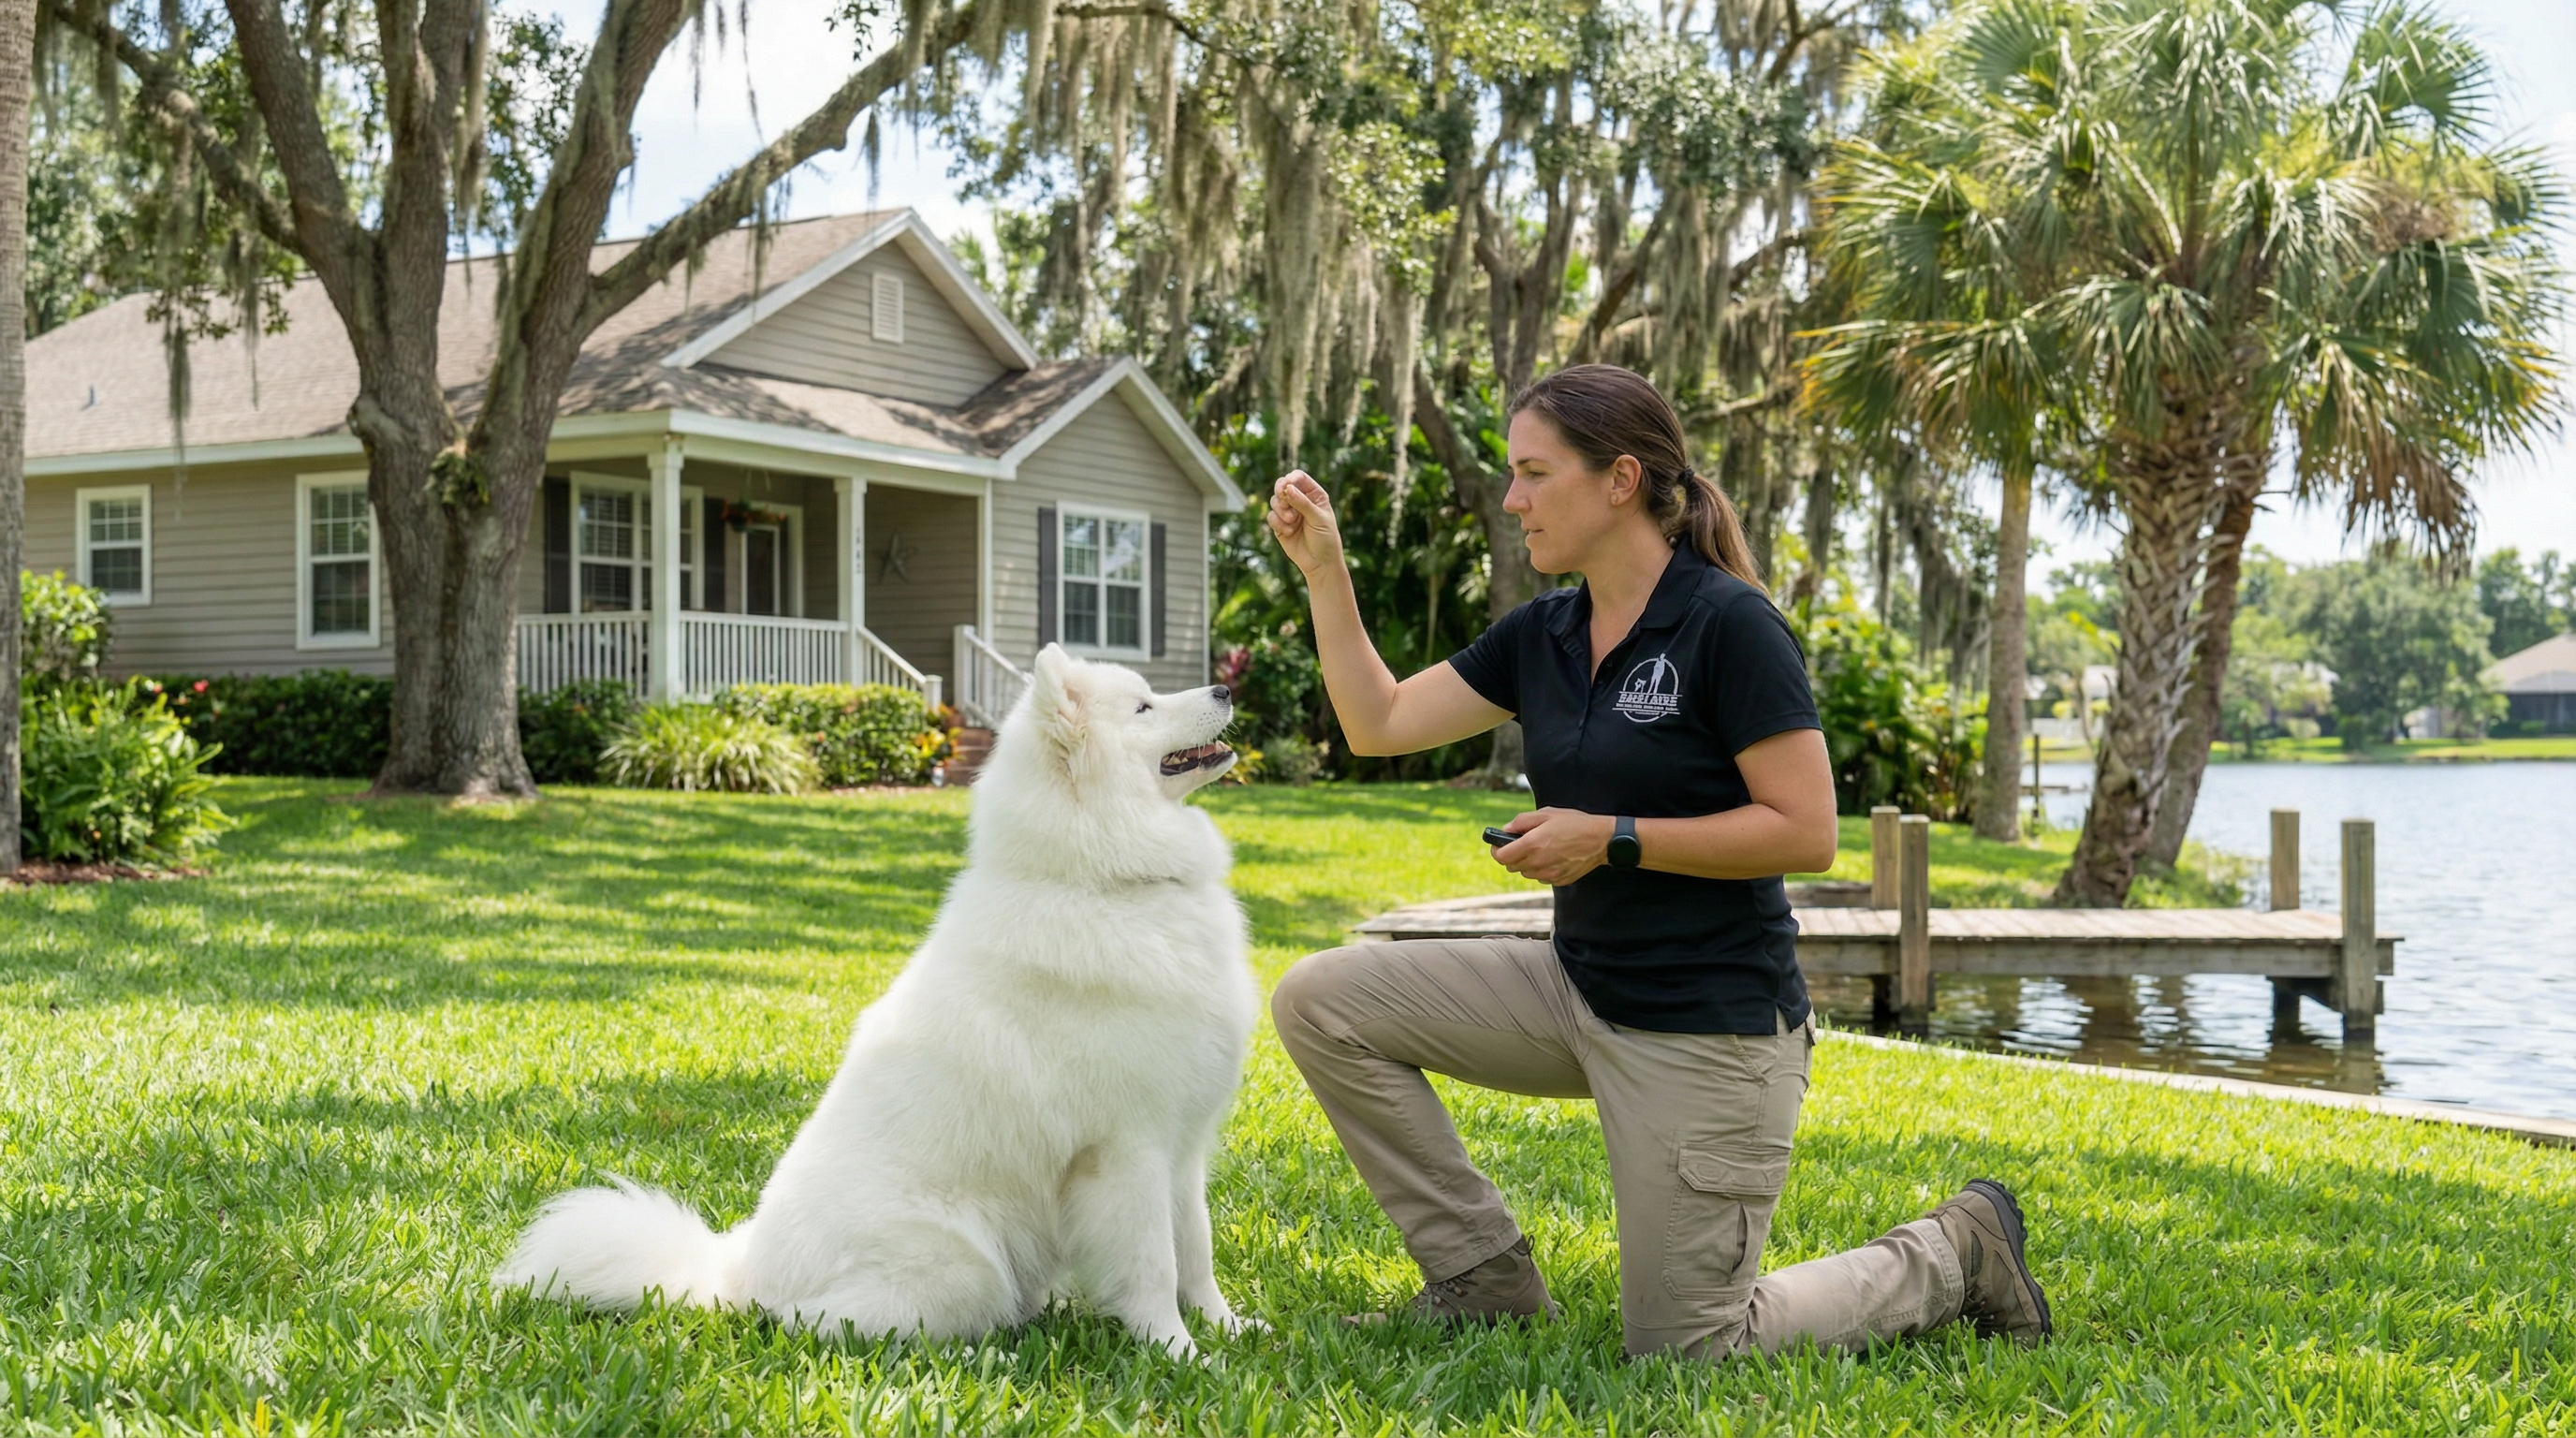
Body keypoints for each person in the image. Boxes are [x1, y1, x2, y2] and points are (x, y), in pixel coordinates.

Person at [1264, 364, 2053, 1359]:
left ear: (1619, 480)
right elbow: (1378, 723)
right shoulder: (1543, 634)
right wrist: (1324, 569)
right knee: (1321, 1000)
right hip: (1577, 993)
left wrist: (1611, 835)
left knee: (1691, 1349)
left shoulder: (1729, 625)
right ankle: (1481, 1278)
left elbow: (1807, 832)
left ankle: (1956, 1251)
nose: (1512, 501)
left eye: (1533, 474)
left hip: (1707, 1031)